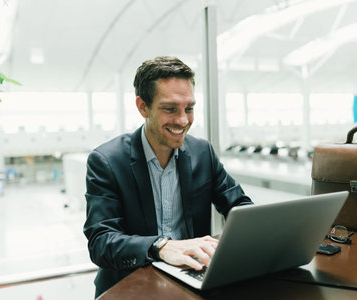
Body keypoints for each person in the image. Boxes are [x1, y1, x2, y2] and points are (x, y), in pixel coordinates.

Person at [83, 56, 253, 298]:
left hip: (189, 280)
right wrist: (160, 247)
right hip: (131, 287)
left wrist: (254, 235)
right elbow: (101, 241)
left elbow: (239, 205)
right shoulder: (107, 161)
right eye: (170, 109)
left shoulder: (202, 152)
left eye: (189, 108)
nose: (183, 121)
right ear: (143, 107)